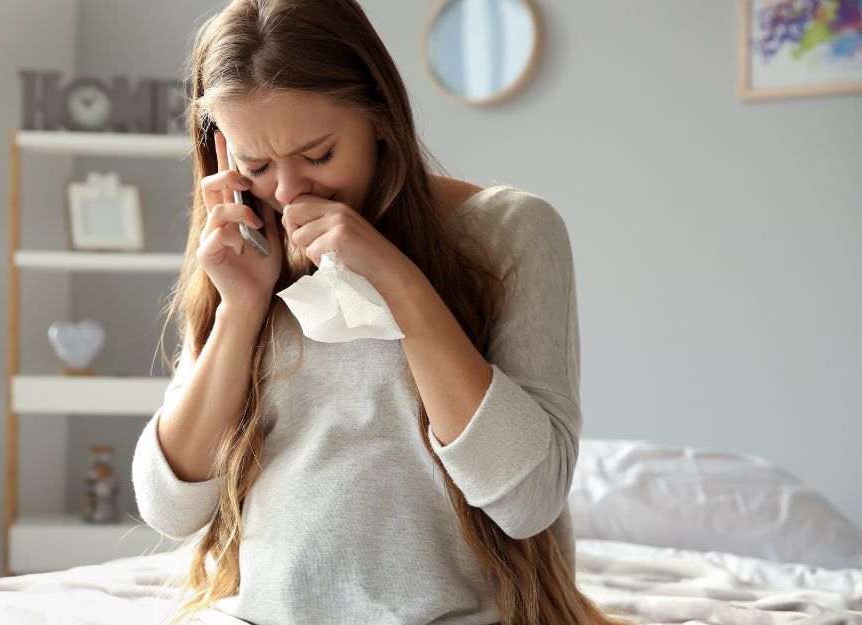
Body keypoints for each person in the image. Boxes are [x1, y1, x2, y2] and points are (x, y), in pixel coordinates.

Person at [133, 1, 635, 624]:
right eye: (256, 166)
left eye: (317, 156)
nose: (287, 191)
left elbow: (529, 500)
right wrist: (240, 309)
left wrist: (401, 284)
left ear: (380, 117)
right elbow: (169, 508)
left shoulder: (510, 231)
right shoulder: (241, 252)